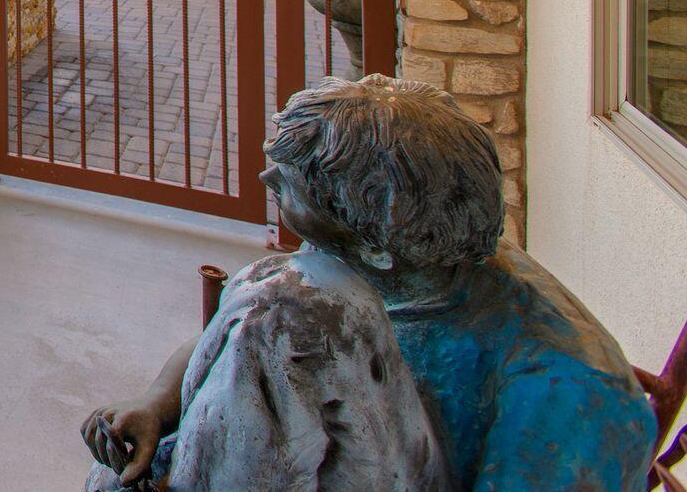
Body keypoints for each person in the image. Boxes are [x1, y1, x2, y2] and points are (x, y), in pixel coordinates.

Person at [83, 76, 656, 490]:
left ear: (379, 245)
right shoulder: (385, 253)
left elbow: (265, 326)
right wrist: (158, 400)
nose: (264, 180)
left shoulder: (567, 387)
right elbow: (234, 326)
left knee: (291, 309)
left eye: (288, 188)